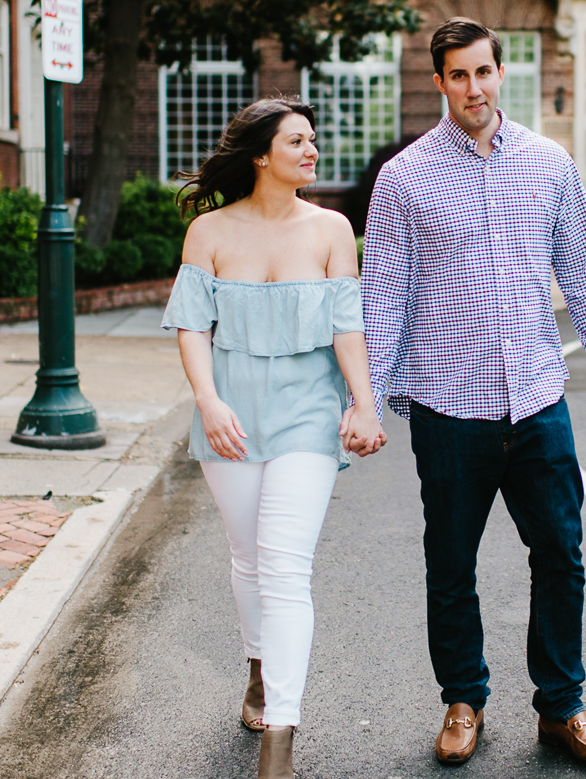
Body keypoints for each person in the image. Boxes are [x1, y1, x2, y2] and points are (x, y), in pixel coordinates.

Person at [357, 17, 586, 765]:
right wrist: (366, 396)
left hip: (538, 398)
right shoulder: (405, 178)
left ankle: (562, 706)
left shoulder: (548, 163)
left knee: (562, 554)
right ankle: (463, 700)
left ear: (499, 72)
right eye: (458, 75)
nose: (473, 88)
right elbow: (383, 294)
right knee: (450, 562)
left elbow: (584, 267)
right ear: (439, 80)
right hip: (449, 404)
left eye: (483, 72)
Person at [163, 96, 386, 779]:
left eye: (313, 140)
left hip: (305, 414)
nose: (311, 150)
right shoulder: (209, 232)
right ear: (261, 154)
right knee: (247, 555)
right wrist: (208, 401)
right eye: (297, 140)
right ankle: (258, 665)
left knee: (285, 566)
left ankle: (279, 740)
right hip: (230, 412)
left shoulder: (331, 230)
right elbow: (192, 326)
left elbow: (347, 326)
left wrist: (364, 403)